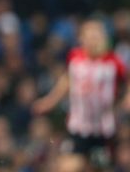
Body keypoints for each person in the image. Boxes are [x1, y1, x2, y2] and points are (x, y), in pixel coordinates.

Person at [32, 19, 130, 172]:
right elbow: (67, 79)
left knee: (101, 167)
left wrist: (127, 98)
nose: (93, 40)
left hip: (103, 129)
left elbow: (127, 79)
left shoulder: (113, 62)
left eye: (97, 36)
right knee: (67, 166)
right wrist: (50, 100)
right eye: (89, 36)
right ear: (81, 39)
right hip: (78, 126)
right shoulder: (75, 58)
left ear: (104, 38)